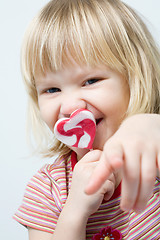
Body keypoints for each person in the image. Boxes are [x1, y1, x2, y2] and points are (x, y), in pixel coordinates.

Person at [13, 0, 160, 239]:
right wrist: (74, 212)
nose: (70, 107)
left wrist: (152, 126)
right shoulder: (47, 191)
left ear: (135, 77)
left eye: (90, 81)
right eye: (51, 89)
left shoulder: (153, 150)